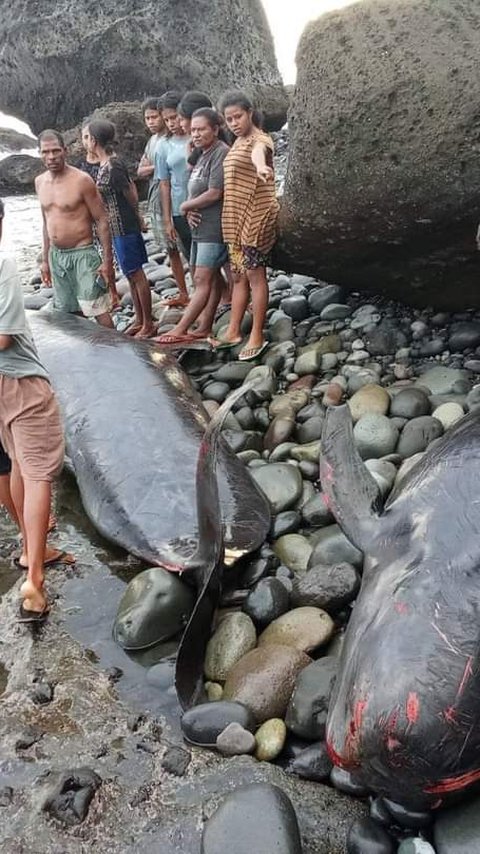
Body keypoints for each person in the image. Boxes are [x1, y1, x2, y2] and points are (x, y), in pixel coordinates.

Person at [0, 198, 72, 621]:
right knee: (39, 471)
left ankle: (31, 551)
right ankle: (35, 580)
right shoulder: (4, 267)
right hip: (21, 381)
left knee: (15, 464)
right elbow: (6, 336)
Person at [213, 90, 280, 361]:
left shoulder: (260, 139)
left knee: (255, 276)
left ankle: (257, 333)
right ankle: (232, 330)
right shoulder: (236, 142)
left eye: (238, 116)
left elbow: (258, 155)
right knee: (238, 276)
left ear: (249, 112)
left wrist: (262, 168)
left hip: (255, 218)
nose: (234, 123)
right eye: (228, 119)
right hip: (234, 221)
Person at [154, 109, 229, 345]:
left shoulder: (220, 153)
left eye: (201, 129)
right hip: (199, 227)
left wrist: (186, 205)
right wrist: (191, 210)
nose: (195, 134)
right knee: (212, 278)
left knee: (201, 278)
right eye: (193, 130)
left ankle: (181, 328)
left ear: (215, 129)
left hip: (214, 229)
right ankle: (204, 325)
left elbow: (215, 192)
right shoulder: (202, 154)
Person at [35, 129, 115, 328]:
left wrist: (107, 262)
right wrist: (45, 260)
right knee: (70, 312)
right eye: (46, 152)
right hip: (57, 256)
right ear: (40, 154)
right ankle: (86, 356)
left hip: (83, 254)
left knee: (96, 308)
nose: (51, 156)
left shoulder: (82, 180)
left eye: (55, 151)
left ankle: (117, 349)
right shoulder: (39, 182)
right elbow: (46, 222)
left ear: (65, 151)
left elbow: (102, 220)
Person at [85, 119, 155, 338]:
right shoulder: (104, 166)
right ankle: (139, 318)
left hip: (124, 225)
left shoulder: (114, 166)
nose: (85, 142)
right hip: (115, 228)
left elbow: (130, 191)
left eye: (87, 137)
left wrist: (138, 216)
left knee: (136, 274)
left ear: (94, 140)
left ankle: (148, 323)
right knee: (130, 274)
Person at [155, 91, 192, 307]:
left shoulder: (196, 134)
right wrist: (168, 219)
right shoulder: (163, 146)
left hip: (206, 205)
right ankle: (209, 297)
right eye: (167, 119)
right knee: (192, 257)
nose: (172, 123)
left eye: (175, 117)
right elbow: (164, 183)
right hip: (180, 209)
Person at [137, 98, 167, 252]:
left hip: (172, 195)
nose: (151, 122)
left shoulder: (171, 139)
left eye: (154, 117)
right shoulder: (151, 142)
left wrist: (153, 167)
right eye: (147, 118)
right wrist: (159, 166)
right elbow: (140, 171)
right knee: (169, 248)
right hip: (155, 197)